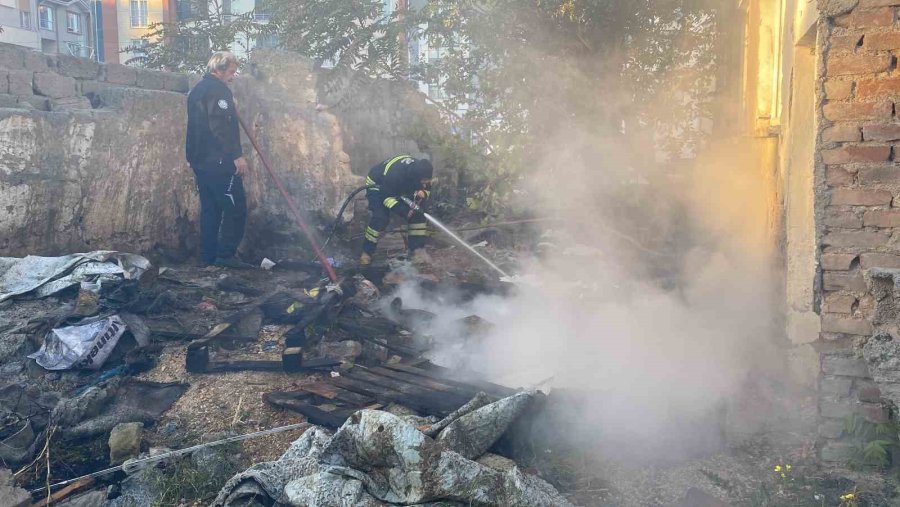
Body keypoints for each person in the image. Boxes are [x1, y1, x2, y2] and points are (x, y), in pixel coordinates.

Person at [185, 51, 252, 269]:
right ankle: (226, 256)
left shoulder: (197, 90)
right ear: (219, 70)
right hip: (219, 162)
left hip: (200, 162)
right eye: (231, 72)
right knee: (236, 208)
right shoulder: (218, 91)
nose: (233, 76)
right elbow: (219, 127)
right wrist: (236, 156)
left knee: (211, 210)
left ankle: (208, 257)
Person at [360, 155, 434, 266]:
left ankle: (417, 252)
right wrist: (404, 210)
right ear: (416, 177)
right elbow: (386, 198)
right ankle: (367, 252)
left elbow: (427, 187)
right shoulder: (395, 175)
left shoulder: (422, 171)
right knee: (381, 217)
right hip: (379, 184)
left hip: (400, 186)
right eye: (423, 182)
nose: (424, 184)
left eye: (426, 181)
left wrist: (423, 193)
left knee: (418, 215)